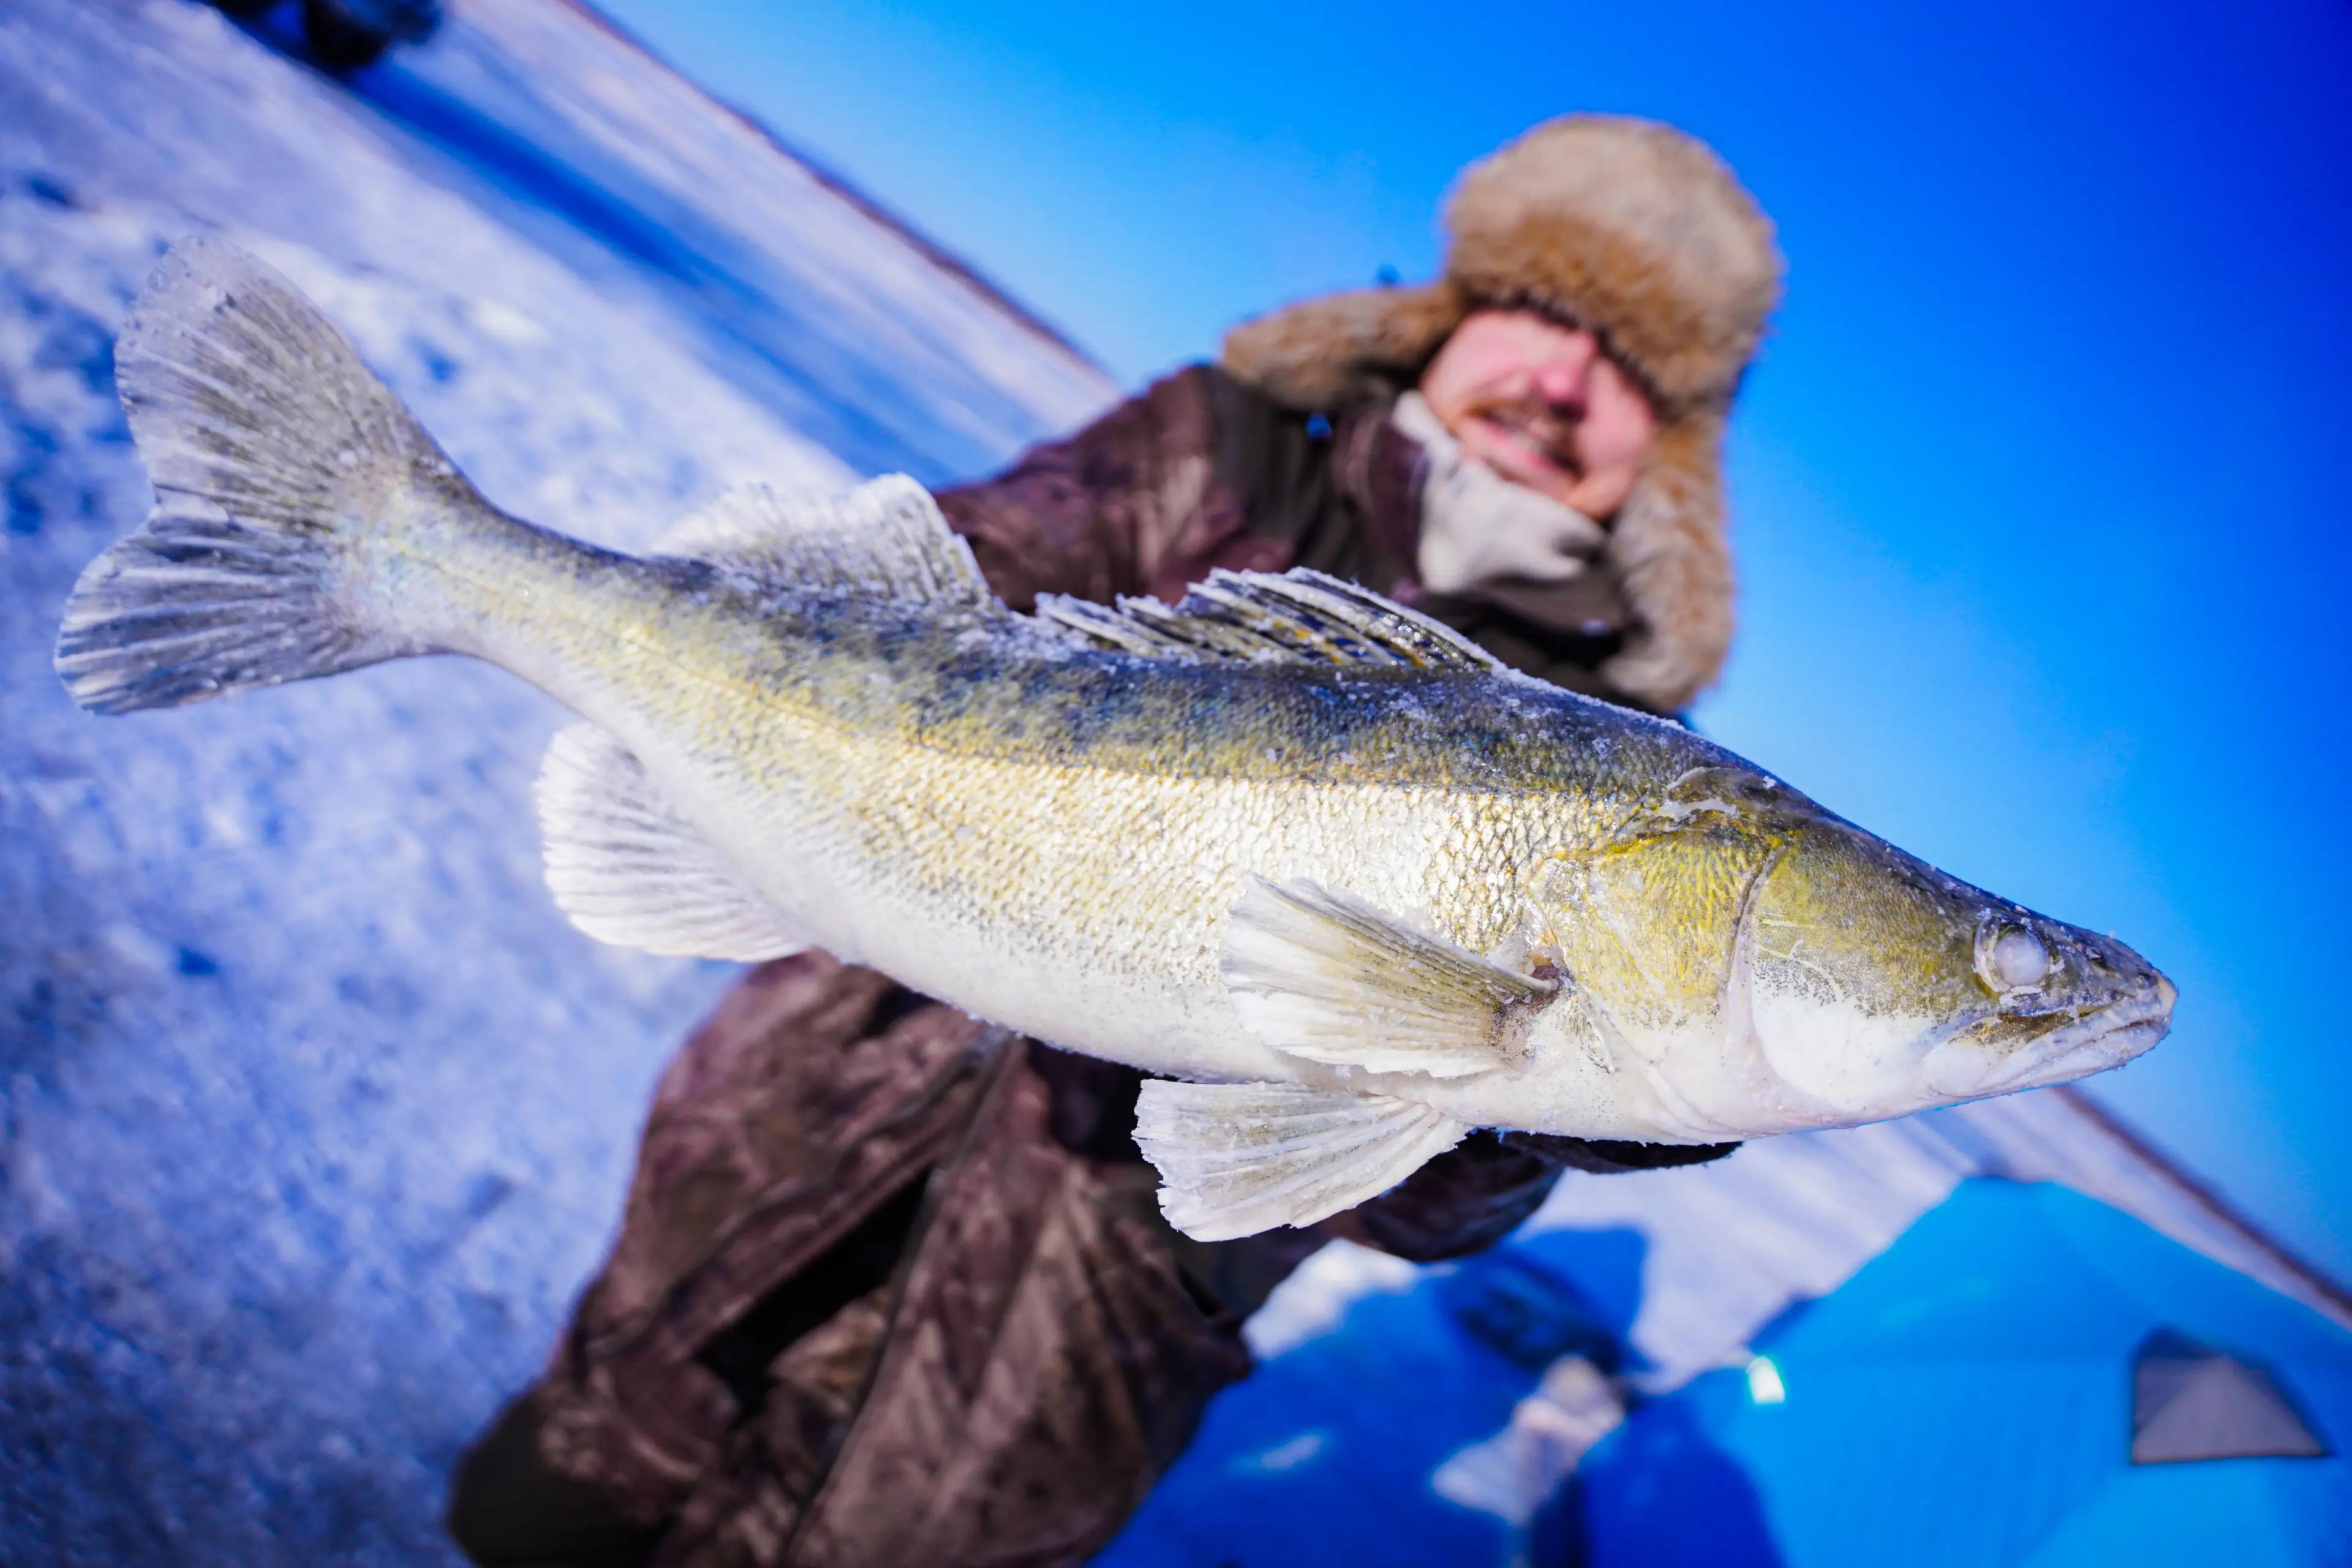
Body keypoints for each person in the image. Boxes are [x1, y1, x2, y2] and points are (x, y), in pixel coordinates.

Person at [447, 113, 1782, 1568]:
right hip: (787, 1125)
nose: (1567, 378)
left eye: (1634, 367)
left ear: (1676, 439)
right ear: (1456, 312)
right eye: (1546, 308)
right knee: (547, 1508)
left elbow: (1414, 1211)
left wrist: (1539, 1092)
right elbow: (965, 570)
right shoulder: (1217, 450)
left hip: (1066, 1338)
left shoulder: (1630, 762)